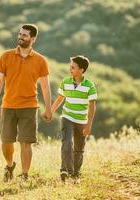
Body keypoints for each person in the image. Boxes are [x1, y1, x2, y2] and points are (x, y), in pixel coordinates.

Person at [0, 24, 52, 182]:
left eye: (24, 35)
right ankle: (10, 165)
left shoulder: (40, 60)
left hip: (29, 106)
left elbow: (45, 85)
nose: (20, 37)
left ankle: (24, 175)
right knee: (6, 142)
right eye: (19, 34)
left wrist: (49, 108)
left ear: (33, 39)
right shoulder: (6, 56)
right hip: (8, 105)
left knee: (26, 143)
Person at [51, 55, 97, 183]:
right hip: (67, 117)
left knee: (79, 149)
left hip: (82, 121)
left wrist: (88, 124)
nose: (70, 69)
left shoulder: (89, 85)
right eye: (70, 66)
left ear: (81, 70)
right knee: (67, 142)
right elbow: (60, 98)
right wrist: (50, 111)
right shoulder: (65, 82)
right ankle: (65, 170)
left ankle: (76, 173)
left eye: (73, 67)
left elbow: (92, 106)